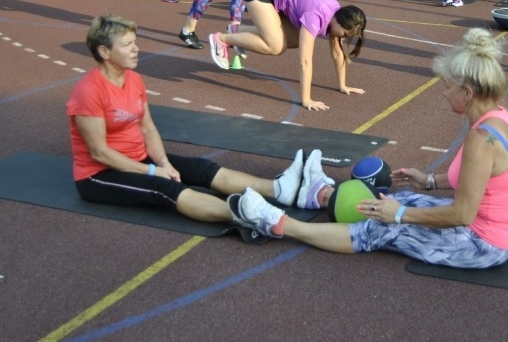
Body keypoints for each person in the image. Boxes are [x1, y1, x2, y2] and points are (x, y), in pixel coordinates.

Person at [228, 28, 508, 269]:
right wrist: (428, 182)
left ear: (467, 93)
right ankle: (316, 194)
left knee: (379, 228)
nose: (443, 93)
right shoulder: (497, 115)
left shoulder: (482, 139)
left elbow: (463, 214)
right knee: (396, 199)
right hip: (494, 230)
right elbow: (481, 179)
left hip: (484, 245)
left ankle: (279, 224)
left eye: (447, 86)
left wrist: (399, 215)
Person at [67, 15, 335, 225]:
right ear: (103, 51)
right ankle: (251, 215)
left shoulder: (133, 79)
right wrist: (153, 172)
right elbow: (99, 152)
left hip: (137, 160)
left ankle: (284, 190)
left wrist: (163, 163)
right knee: (165, 188)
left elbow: (148, 128)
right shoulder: (89, 90)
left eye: (135, 42)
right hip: (99, 175)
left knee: (199, 168)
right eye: (127, 45)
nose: (136, 49)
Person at [209, 0, 367, 111]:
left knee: (293, 40)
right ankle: (222, 40)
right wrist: (307, 99)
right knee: (275, 46)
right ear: (340, 21)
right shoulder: (316, 17)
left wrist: (343, 85)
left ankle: (238, 32)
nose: (344, 38)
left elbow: (338, 52)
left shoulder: (336, 14)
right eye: (345, 34)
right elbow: (305, 61)